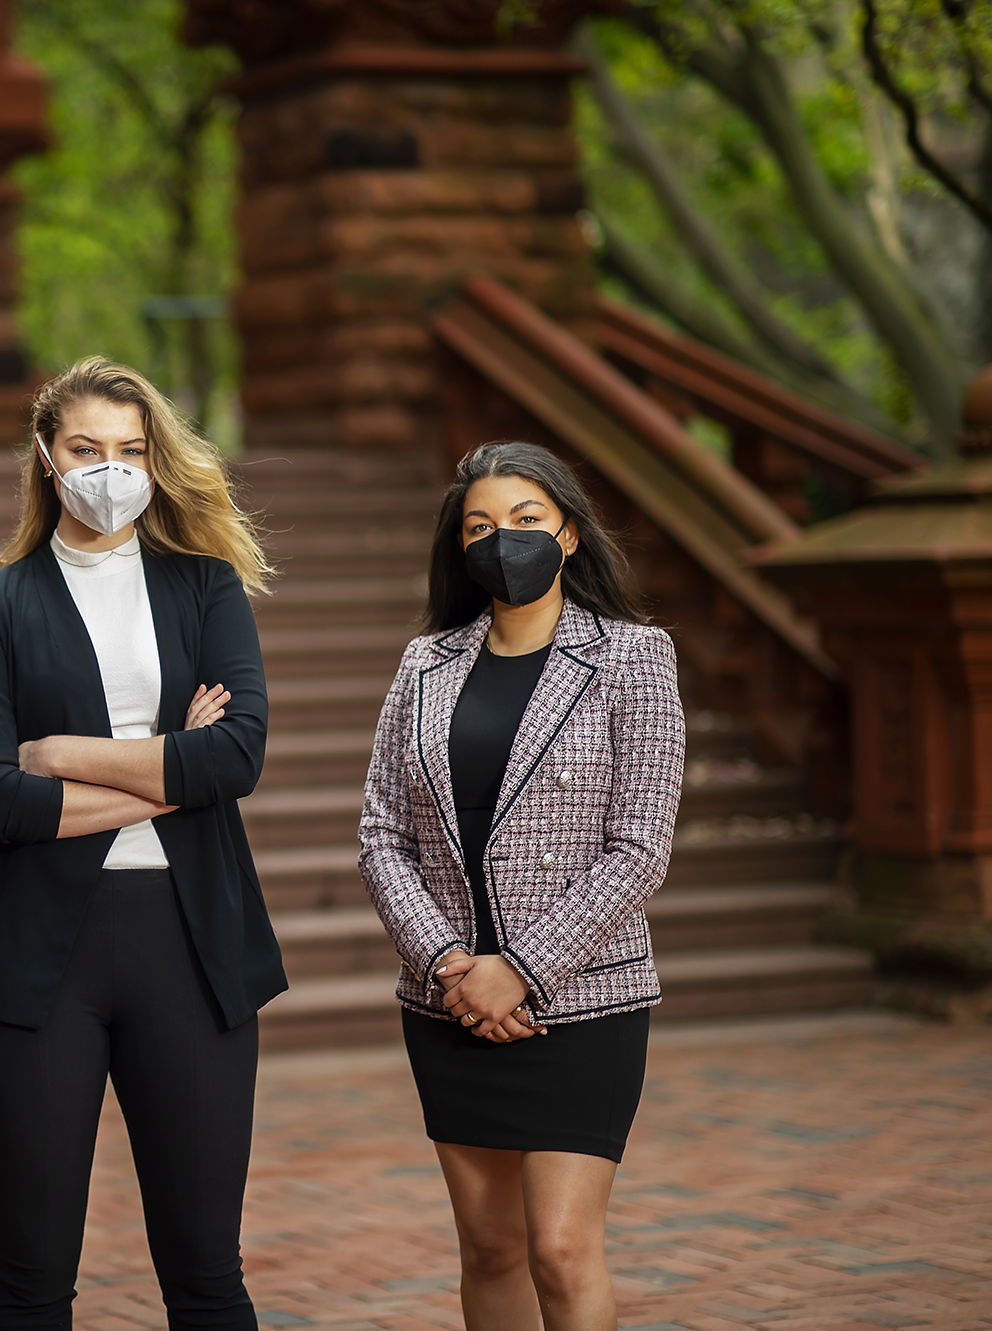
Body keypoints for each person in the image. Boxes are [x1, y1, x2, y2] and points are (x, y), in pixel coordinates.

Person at [0, 357, 285, 1330]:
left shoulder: (205, 588)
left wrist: (62, 753)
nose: (110, 469)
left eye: (130, 450)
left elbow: (238, 757)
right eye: (87, 449)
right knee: (33, 1277)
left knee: (206, 1272)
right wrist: (168, 766)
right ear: (47, 458)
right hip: (34, 958)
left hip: (193, 945)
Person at [359, 441, 685, 1331]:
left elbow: (640, 847)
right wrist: (451, 965)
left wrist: (522, 968)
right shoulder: (423, 665)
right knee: (491, 1245)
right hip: (449, 1001)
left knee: (561, 1248)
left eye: (526, 520)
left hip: (583, 998)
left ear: (570, 534)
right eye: (480, 526)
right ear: (459, 548)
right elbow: (382, 834)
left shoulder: (633, 658)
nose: (503, 540)